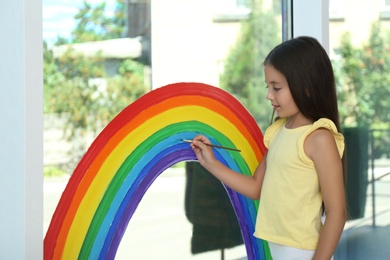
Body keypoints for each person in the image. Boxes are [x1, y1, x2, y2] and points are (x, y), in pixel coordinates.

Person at [190, 36, 347, 260]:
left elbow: (336, 213)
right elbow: (256, 187)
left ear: (306, 87)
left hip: (305, 253)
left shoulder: (319, 138)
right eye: (268, 87)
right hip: (278, 250)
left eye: (277, 88)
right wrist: (211, 163)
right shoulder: (278, 131)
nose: (268, 95)